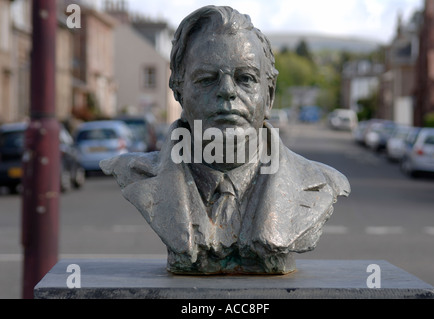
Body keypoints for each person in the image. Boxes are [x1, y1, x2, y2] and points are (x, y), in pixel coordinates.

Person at [101, 5, 350, 275]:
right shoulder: (134, 173)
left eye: (245, 78)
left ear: (269, 94)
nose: (227, 92)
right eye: (207, 79)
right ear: (178, 90)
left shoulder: (323, 183)